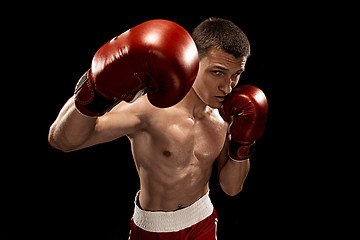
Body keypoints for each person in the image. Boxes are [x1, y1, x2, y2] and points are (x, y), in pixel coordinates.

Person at [48, 17, 268, 240]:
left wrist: (244, 143)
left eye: (236, 75)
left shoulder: (227, 114)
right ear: (194, 61)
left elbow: (232, 187)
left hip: (203, 222)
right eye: (217, 72)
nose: (227, 87)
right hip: (152, 230)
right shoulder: (149, 109)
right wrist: (96, 87)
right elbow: (62, 140)